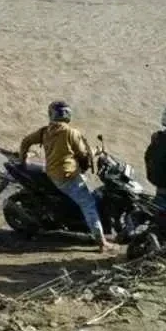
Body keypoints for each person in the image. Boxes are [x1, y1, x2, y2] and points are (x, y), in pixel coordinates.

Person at [18, 101, 110, 252]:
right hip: (66, 177)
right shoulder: (71, 133)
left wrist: (23, 159)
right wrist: (97, 151)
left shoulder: (45, 131)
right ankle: (102, 243)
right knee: (88, 204)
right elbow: (84, 154)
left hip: (52, 173)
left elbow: (26, 141)